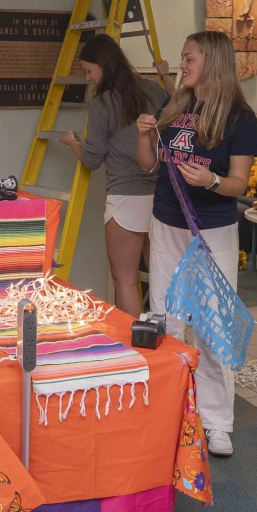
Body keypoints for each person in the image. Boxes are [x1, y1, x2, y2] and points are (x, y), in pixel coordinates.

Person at [135, 30, 257, 459]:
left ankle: (217, 423)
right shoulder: (174, 106)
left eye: (189, 58)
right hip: (166, 223)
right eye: (183, 57)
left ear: (213, 61)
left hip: (212, 233)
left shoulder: (241, 117)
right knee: (165, 320)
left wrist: (212, 180)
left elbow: (239, 183)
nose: (182, 64)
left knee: (212, 329)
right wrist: (145, 134)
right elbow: (149, 164)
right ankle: (169, 412)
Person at [59, 34, 172, 316]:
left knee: (125, 281)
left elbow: (92, 159)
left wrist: (73, 141)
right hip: (160, 195)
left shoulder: (103, 103)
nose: (87, 78)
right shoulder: (152, 89)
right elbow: (177, 107)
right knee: (163, 281)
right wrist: (166, 75)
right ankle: (170, 347)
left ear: (103, 64)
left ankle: (134, 349)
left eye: (88, 70)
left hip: (125, 198)